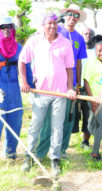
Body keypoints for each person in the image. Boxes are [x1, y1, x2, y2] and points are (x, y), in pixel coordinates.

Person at [18, 13, 76, 177]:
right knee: (35, 126)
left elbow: (69, 68)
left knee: (57, 128)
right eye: (49, 23)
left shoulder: (66, 43)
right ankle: (28, 158)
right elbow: (22, 61)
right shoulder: (35, 41)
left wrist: (70, 88)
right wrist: (24, 82)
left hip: (60, 94)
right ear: (43, 24)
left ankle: (55, 160)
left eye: (55, 23)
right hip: (41, 93)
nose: (52, 26)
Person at [36, 4, 87, 160]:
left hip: (70, 87)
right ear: (65, 16)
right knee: (47, 122)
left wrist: (77, 84)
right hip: (52, 86)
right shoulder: (56, 31)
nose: (72, 18)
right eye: (70, 14)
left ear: (78, 19)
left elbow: (77, 63)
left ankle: (61, 150)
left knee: (67, 120)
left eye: (76, 16)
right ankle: (41, 152)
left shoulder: (79, 38)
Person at [0, 17, 32, 168]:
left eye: (8, 26)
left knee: (15, 121)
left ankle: (11, 154)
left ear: (12, 28)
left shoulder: (18, 48)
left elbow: (26, 67)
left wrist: (29, 83)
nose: (6, 28)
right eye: (2, 26)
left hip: (14, 89)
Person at [83, 35, 102, 161]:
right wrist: (92, 99)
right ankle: (95, 152)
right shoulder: (91, 63)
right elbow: (86, 81)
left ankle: (93, 145)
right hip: (95, 99)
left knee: (96, 124)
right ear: (95, 51)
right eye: (99, 51)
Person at [71, 27, 96, 150]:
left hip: (89, 89)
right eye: (85, 33)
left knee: (88, 115)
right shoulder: (76, 50)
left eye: (90, 34)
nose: (88, 35)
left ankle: (85, 141)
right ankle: (66, 140)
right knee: (72, 114)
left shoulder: (97, 51)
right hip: (75, 86)